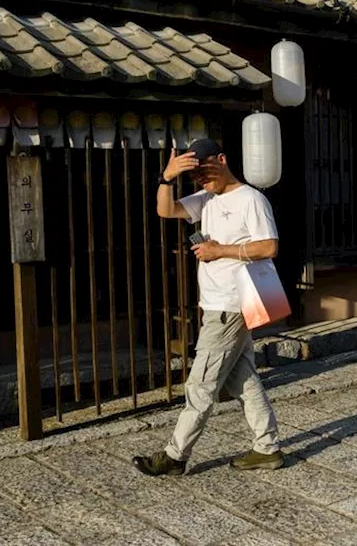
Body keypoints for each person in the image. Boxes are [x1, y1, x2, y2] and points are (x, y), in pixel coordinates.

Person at [133, 139, 285, 476]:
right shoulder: (207, 199)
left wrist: (221, 251)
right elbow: (165, 210)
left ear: (222, 158)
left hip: (232, 304)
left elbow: (270, 246)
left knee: (200, 385)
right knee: (243, 379)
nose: (202, 178)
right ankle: (268, 448)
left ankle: (175, 456)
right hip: (216, 303)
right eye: (196, 174)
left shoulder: (251, 198)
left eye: (206, 169)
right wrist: (166, 178)